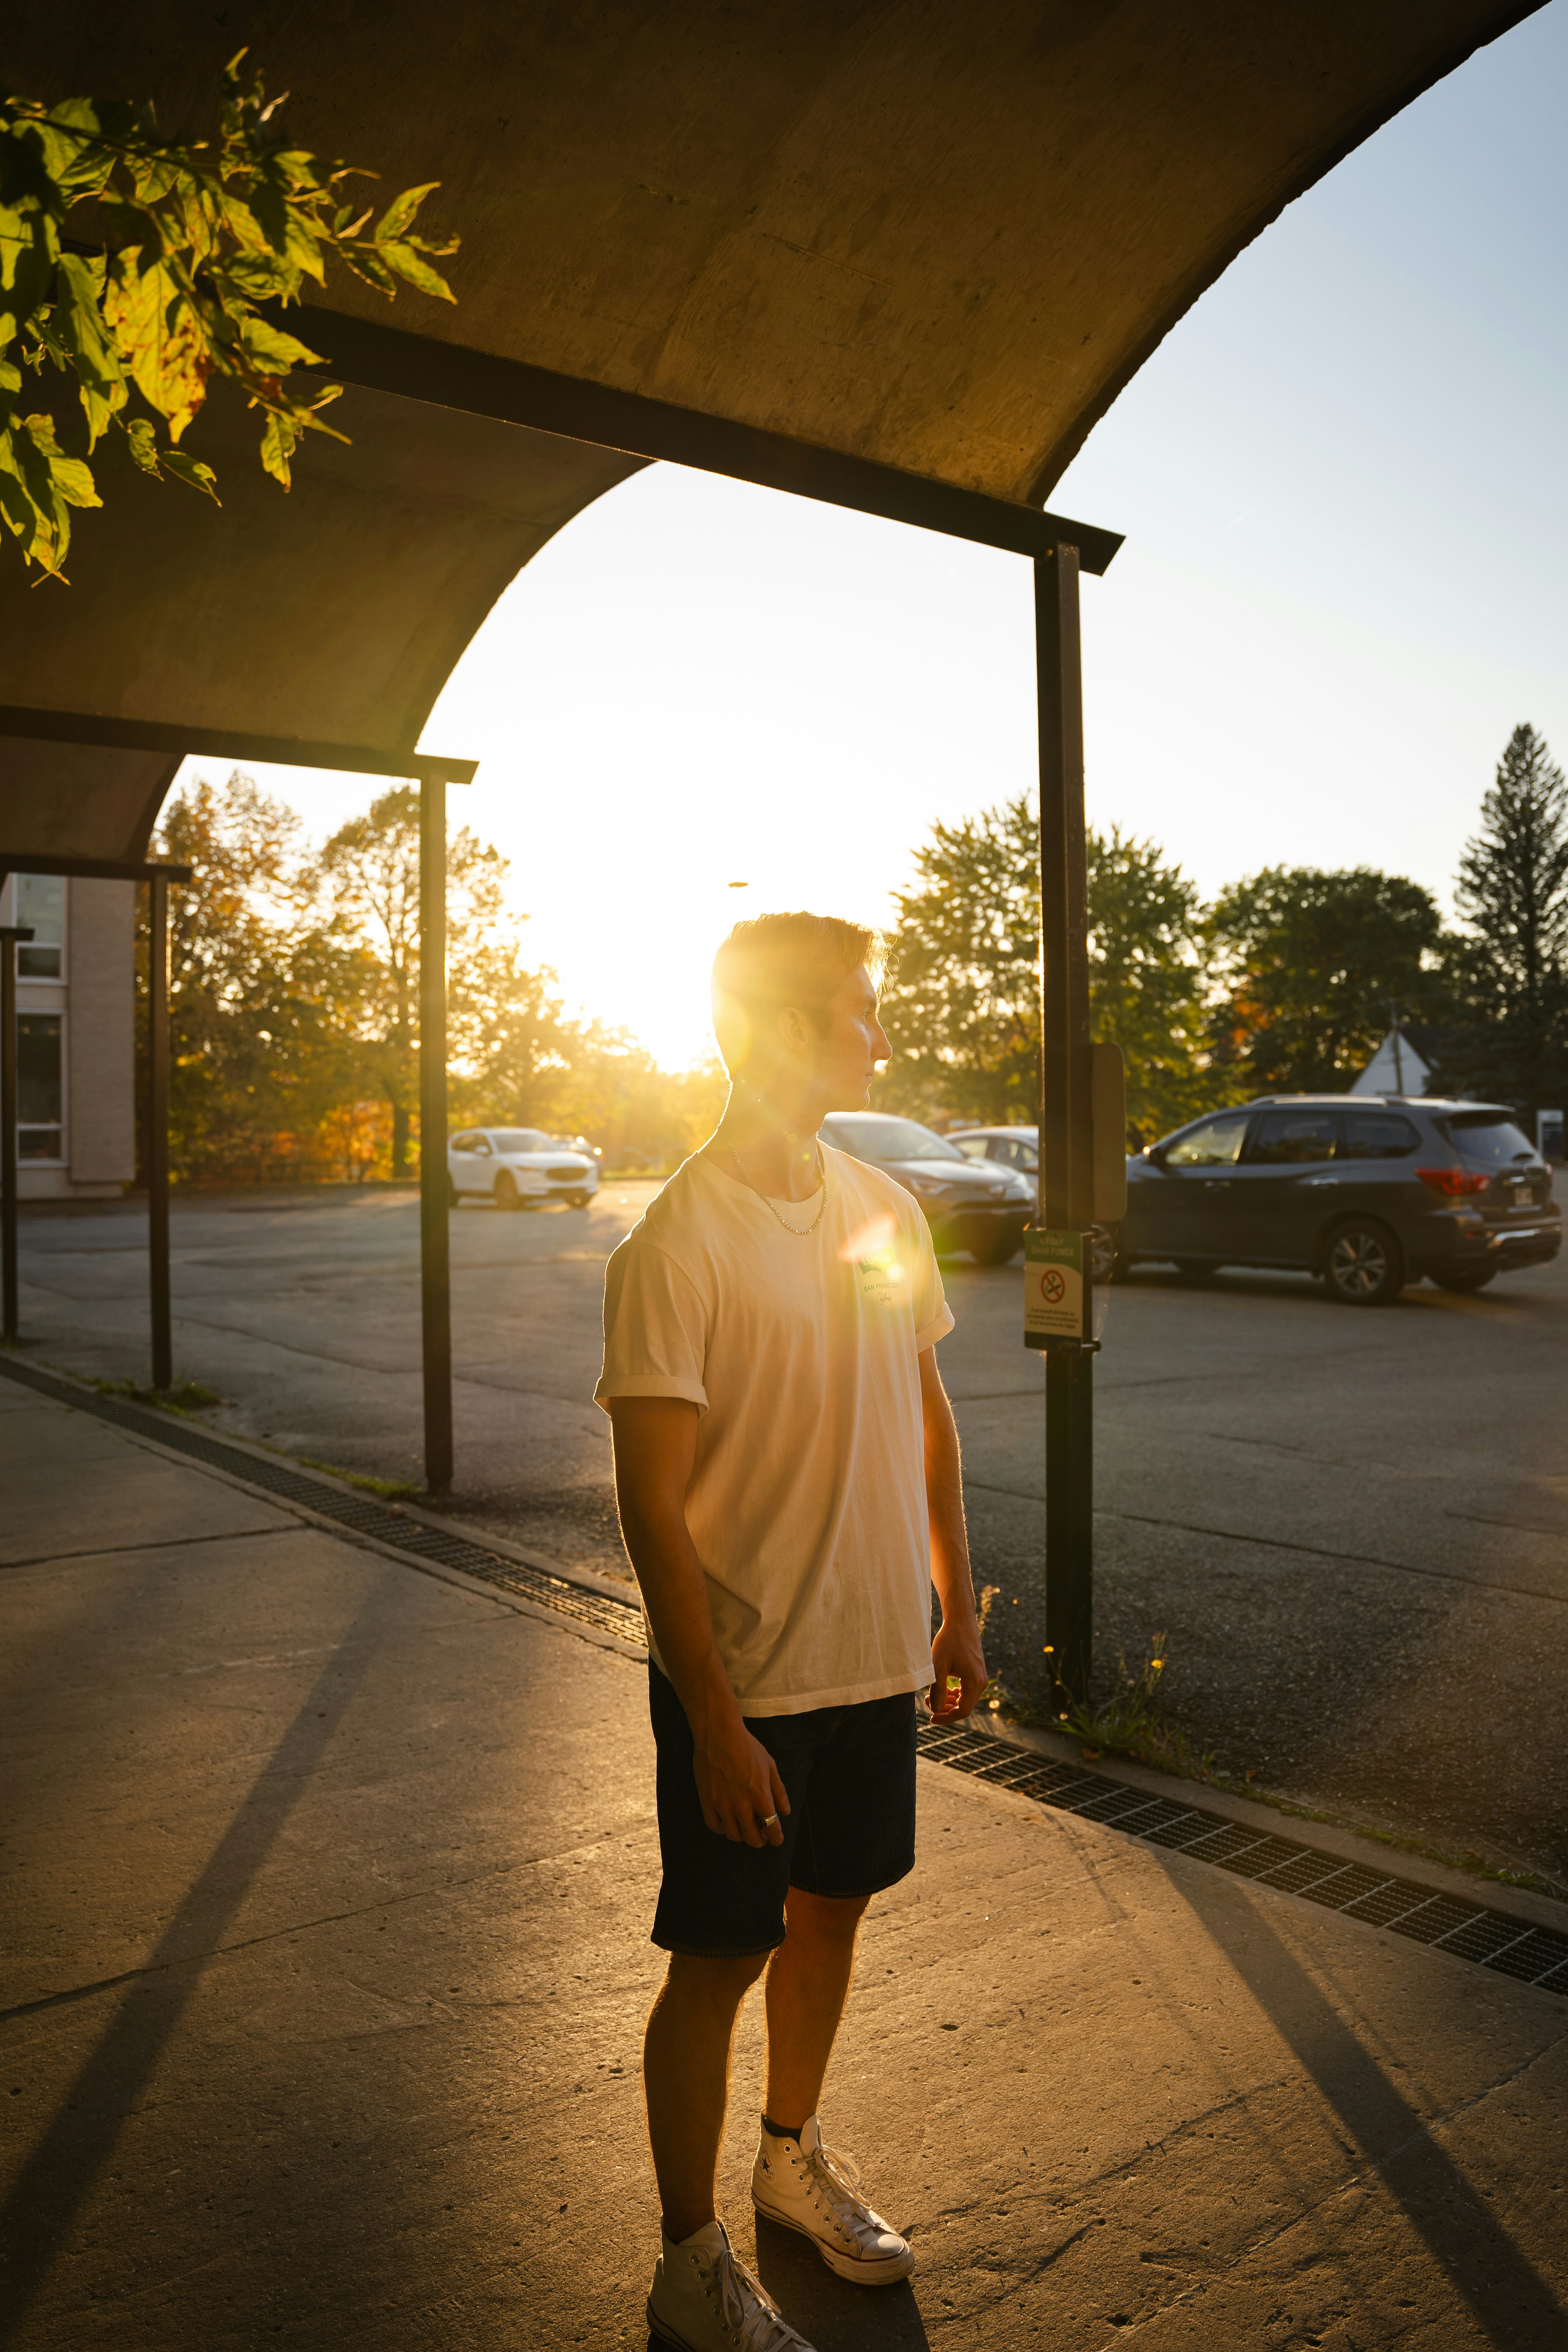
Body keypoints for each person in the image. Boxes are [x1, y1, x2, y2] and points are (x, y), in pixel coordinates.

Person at [594, 912, 988, 2352]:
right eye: (854, 1014)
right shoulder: (673, 1247)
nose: (878, 1037)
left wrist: (957, 1602)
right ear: (775, 1033)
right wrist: (710, 1717)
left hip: (875, 1655)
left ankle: (788, 2154)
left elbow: (925, 1411)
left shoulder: (879, 1204)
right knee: (717, 1958)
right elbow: (651, 1506)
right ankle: (687, 2259)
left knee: (831, 1917)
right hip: (746, 1679)